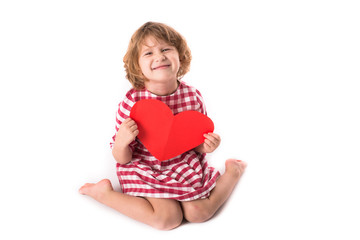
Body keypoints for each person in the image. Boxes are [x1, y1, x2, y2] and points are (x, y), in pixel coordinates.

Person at [79, 22, 247, 230]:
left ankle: (234, 171)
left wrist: (206, 146)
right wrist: (122, 142)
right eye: (148, 53)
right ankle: (104, 194)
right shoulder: (132, 103)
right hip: (145, 166)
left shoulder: (192, 97)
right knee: (167, 219)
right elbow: (123, 157)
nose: (159, 56)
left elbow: (195, 143)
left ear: (181, 57)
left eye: (166, 49)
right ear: (136, 66)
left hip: (181, 164)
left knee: (198, 212)